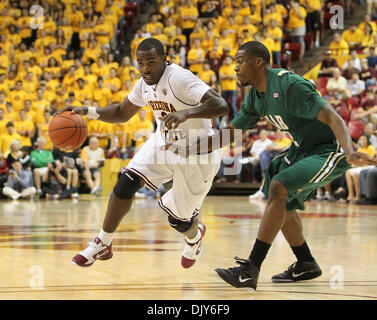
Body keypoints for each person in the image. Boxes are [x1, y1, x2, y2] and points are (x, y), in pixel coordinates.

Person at [173, 41, 377, 291]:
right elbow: (228, 135)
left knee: (279, 186)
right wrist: (187, 150)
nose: (234, 67)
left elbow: (333, 117)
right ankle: (306, 262)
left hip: (329, 148)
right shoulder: (254, 99)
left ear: (258, 62)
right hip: (301, 149)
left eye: (239, 61)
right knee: (280, 192)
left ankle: (250, 269)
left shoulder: (289, 84)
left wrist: (348, 152)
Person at [57, 38, 227, 267]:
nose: (145, 68)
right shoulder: (143, 84)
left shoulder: (179, 78)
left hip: (198, 151)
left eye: (151, 62)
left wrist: (187, 114)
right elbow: (120, 112)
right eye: (141, 62)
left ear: (164, 60)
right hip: (164, 144)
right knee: (126, 181)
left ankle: (194, 237)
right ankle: (102, 243)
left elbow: (220, 105)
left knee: (178, 221)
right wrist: (86, 111)